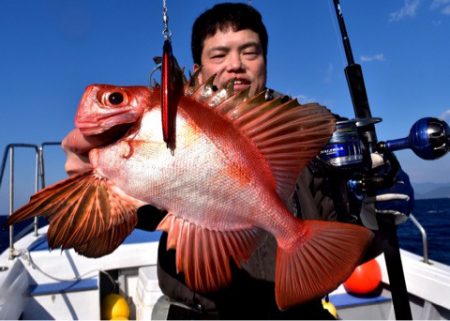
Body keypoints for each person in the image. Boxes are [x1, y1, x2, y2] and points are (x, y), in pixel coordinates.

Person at [62, 2, 414, 319]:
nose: (236, 65)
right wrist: (92, 188)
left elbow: (345, 243)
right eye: (219, 55)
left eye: (250, 52)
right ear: (196, 70)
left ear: (265, 60)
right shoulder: (165, 132)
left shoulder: (305, 135)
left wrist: (375, 215)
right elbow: (95, 238)